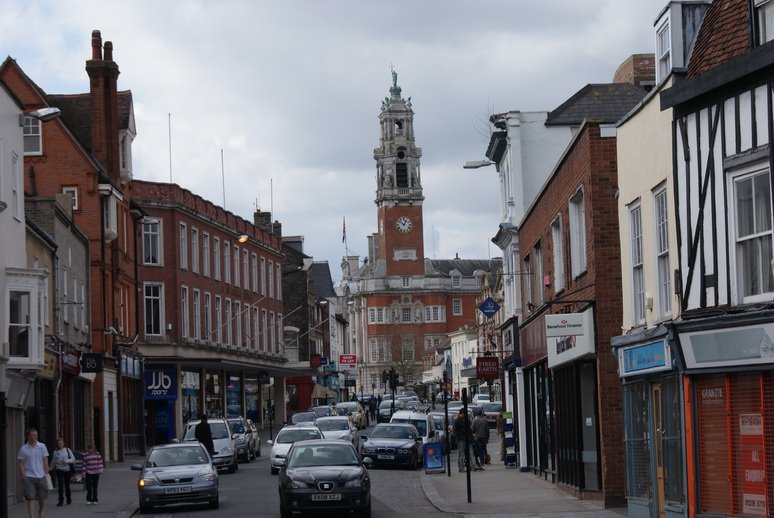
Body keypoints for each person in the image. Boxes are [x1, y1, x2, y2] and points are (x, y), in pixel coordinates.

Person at [17, 427, 49, 518]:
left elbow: (45, 459)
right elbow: (21, 463)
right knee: (30, 498)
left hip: (41, 475)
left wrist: (46, 472)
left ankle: (41, 511)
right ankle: (31, 516)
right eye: (34, 435)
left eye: (36, 435)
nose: (36, 436)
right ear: (28, 436)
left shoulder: (42, 446)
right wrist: (23, 476)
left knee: (42, 497)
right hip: (29, 476)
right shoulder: (23, 449)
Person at [50, 437, 75, 506]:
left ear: (63, 444)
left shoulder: (67, 450)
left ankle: (68, 498)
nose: (60, 445)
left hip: (67, 469)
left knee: (67, 485)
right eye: (58, 444)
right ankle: (60, 500)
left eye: (61, 443)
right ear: (57, 445)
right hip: (59, 469)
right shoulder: (55, 452)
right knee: (60, 485)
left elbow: (73, 459)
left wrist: (66, 461)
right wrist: (50, 468)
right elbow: (53, 461)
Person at [452, 408, 472, 473]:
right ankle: (461, 468)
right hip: (461, 439)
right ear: (462, 413)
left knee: (465, 454)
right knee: (461, 454)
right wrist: (458, 438)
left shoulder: (466, 420)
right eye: (464, 414)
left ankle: (467, 467)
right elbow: (455, 431)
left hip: (465, 439)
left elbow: (469, 428)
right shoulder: (457, 421)